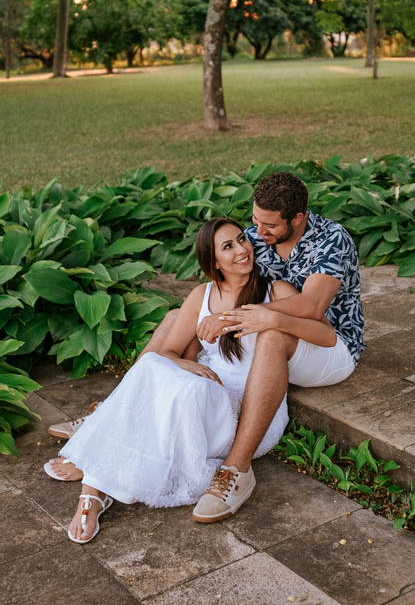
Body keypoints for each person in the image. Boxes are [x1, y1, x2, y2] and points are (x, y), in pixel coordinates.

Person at [47, 171, 364, 523]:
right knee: (175, 319)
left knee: (272, 331)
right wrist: (191, 356)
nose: (256, 235)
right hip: (271, 326)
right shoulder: (257, 235)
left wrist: (229, 318)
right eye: (254, 222)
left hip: (328, 345)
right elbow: (226, 277)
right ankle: (117, 412)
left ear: (298, 219)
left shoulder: (331, 239)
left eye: (268, 226)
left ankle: (237, 470)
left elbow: (311, 308)